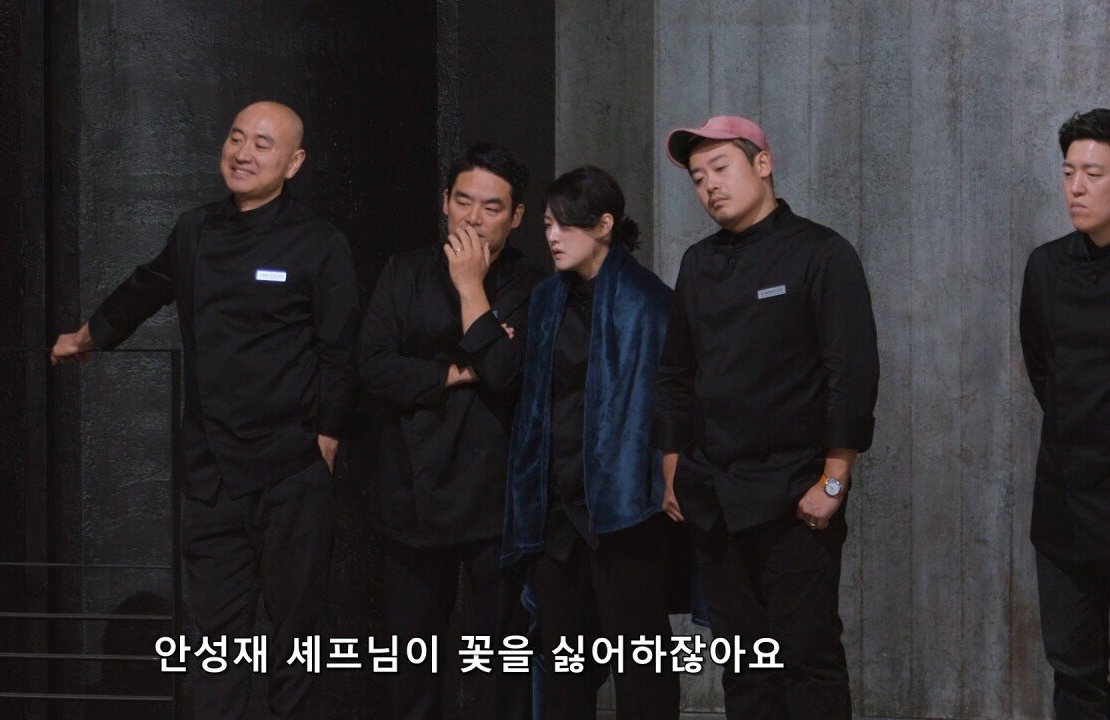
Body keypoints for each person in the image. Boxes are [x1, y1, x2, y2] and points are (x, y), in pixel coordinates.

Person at [50, 101, 359, 720]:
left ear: (293, 162)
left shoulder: (319, 244)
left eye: (262, 144)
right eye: (236, 138)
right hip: (212, 473)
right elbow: (148, 285)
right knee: (216, 641)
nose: (243, 153)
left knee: (295, 636)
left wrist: (326, 442)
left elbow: (341, 352)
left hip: (290, 471)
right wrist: (88, 336)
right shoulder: (194, 230)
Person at [653, 116, 879, 719]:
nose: (709, 186)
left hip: (794, 498)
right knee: (744, 668)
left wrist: (833, 482)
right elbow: (675, 375)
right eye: (697, 178)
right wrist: (674, 468)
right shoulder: (697, 264)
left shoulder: (821, 253)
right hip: (714, 499)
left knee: (808, 660)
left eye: (720, 168)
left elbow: (852, 376)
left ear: (762, 164)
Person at [356, 142, 542, 719]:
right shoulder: (405, 271)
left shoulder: (533, 284)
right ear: (444, 202)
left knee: (504, 661)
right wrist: (458, 372)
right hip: (411, 493)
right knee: (412, 661)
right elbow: (373, 367)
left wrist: (469, 287)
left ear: (516, 216)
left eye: (492, 207)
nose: (473, 218)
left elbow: (506, 373)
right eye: (463, 201)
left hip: (496, 499)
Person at [502, 165, 681, 719]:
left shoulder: (648, 302)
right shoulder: (546, 299)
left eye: (566, 225)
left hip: (626, 513)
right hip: (557, 513)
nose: (553, 237)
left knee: (641, 667)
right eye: (547, 225)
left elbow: (669, 404)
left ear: (604, 225)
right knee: (563, 668)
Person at [1020, 107, 1110, 720]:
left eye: (1094, 174)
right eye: (1069, 172)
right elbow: (1042, 371)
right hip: (1065, 504)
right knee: (1075, 670)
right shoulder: (1047, 266)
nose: (1076, 188)